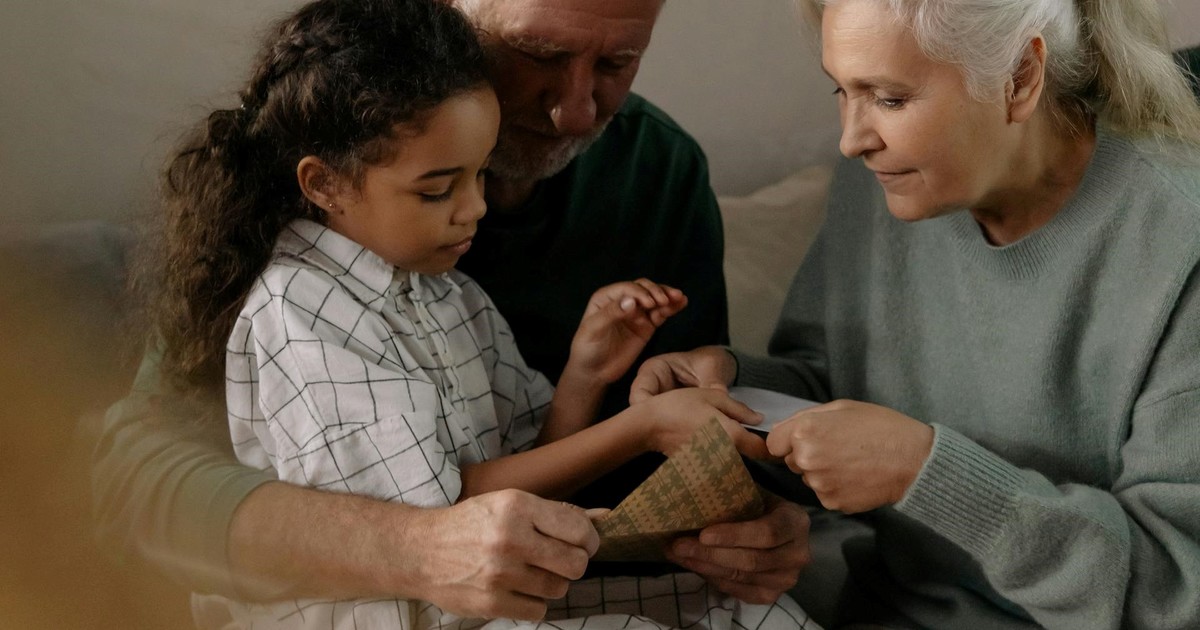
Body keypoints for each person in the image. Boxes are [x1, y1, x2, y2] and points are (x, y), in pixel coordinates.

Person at [92, 0, 812, 621]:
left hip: (563, 577)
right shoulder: (311, 209)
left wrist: (749, 518)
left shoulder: (641, 182)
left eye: (618, 63)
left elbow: (669, 440)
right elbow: (138, 482)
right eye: (539, 53)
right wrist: (415, 548)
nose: (575, 109)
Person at [631, 0, 1200, 628]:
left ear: (1019, 78)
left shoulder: (1180, 245)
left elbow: (1174, 589)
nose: (852, 140)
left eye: (889, 99)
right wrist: (734, 391)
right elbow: (839, 386)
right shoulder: (885, 186)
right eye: (842, 91)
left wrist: (924, 472)